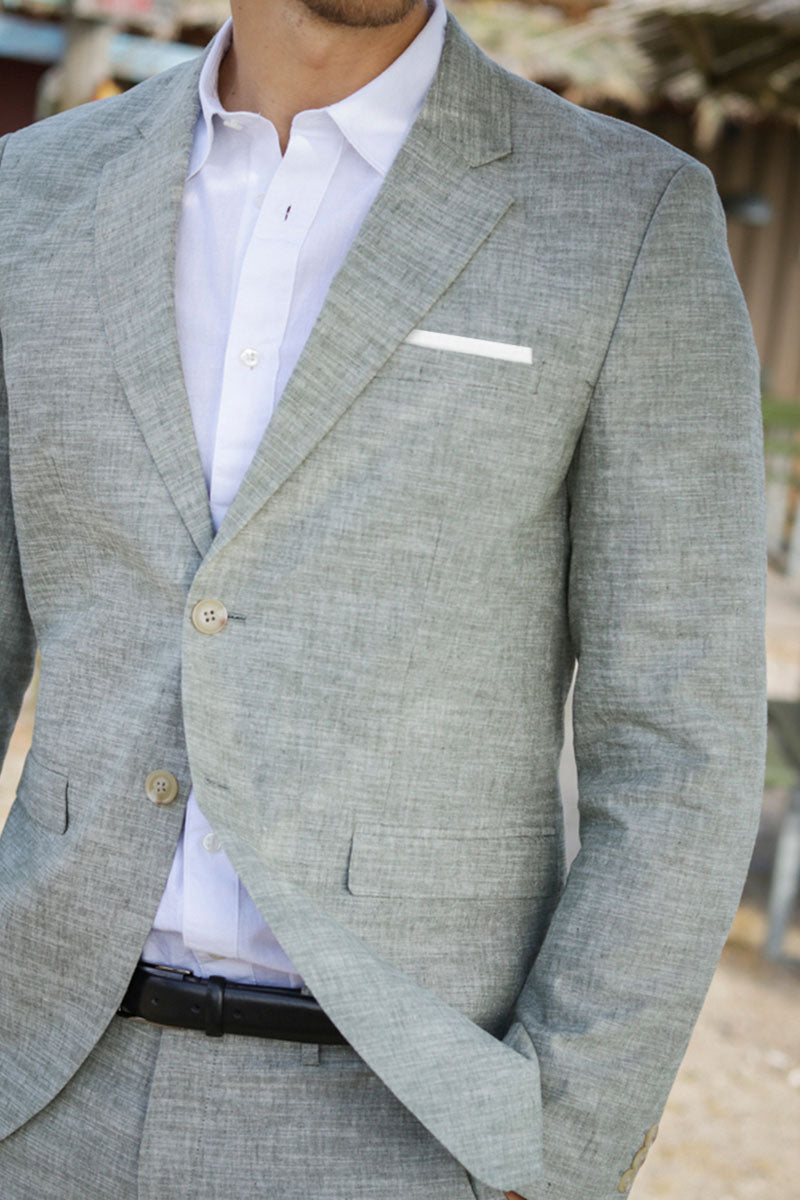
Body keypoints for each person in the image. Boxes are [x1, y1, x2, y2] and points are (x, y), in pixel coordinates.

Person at [0, 0, 766, 1196]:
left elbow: (677, 744)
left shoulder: (620, 215)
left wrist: (558, 1150)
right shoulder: (29, 194)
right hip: (37, 1095)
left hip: (405, 1128)